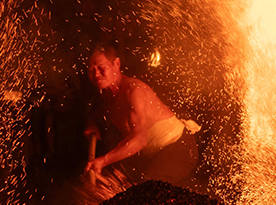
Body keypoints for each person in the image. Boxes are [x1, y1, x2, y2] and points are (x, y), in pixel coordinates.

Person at [83, 44, 200, 187]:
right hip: (152, 154)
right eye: (91, 70)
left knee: (144, 188)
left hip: (178, 148)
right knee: (116, 181)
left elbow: (139, 140)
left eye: (101, 68)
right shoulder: (108, 95)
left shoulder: (134, 92)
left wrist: (103, 160)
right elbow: (100, 112)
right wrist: (92, 123)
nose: (96, 74)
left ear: (116, 64)